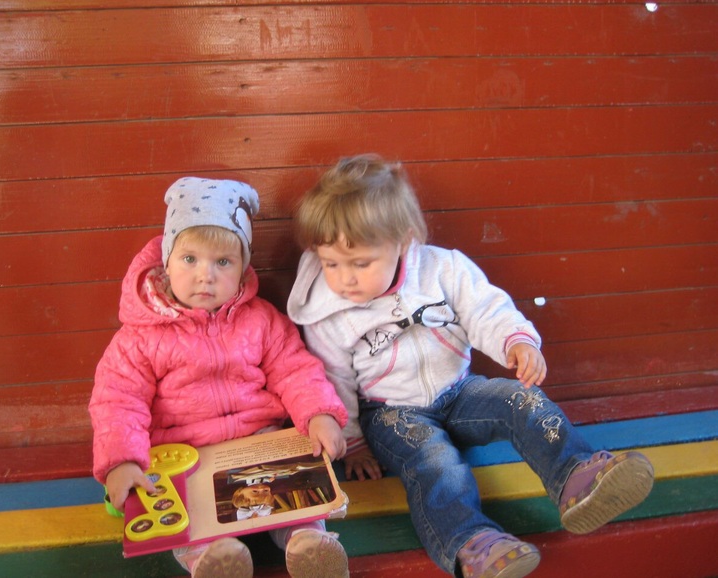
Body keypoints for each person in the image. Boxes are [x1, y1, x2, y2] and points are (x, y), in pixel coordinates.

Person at [286, 155, 655, 578]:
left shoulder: (443, 269)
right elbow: (332, 378)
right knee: (434, 459)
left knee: (522, 399)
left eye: (360, 263)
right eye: (331, 264)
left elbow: (484, 309)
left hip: (460, 392)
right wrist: (353, 442)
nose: (344, 279)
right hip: (391, 413)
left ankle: (576, 477)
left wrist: (516, 340)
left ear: (403, 242)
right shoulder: (327, 312)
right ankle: (471, 543)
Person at [90, 177, 350, 578]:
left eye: (223, 262)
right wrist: (122, 462)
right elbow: (117, 401)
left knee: (294, 484)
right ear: (166, 261)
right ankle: (211, 559)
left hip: (258, 441)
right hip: (184, 453)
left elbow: (295, 368)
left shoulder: (260, 319)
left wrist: (319, 413)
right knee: (182, 511)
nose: (205, 275)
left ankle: (307, 541)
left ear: (243, 268)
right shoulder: (139, 337)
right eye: (189, 259)